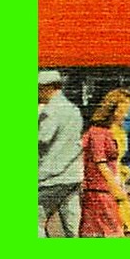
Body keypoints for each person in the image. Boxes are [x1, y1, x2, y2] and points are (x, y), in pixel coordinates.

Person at [80, 89, 130, 237]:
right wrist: (116, 188)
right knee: (113, 233)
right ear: (112, 110)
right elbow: (100, 162)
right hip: (99, 191)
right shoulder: (98, 132)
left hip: (102, 190)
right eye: (123, 111)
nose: (126, 115)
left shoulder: (105, 131)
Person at [38, 70, 84, 237]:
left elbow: (42, 139)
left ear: (47, 88)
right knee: (72, 224)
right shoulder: (73, 109)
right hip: (73, 174)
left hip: (51, 176)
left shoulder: (51, 110)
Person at [109, 92, 130, 235]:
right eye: (122, 111)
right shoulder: (111, 131)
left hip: (118, 170)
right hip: (115, 172)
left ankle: (127, 227)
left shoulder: (119, 130)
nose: (126, 115)